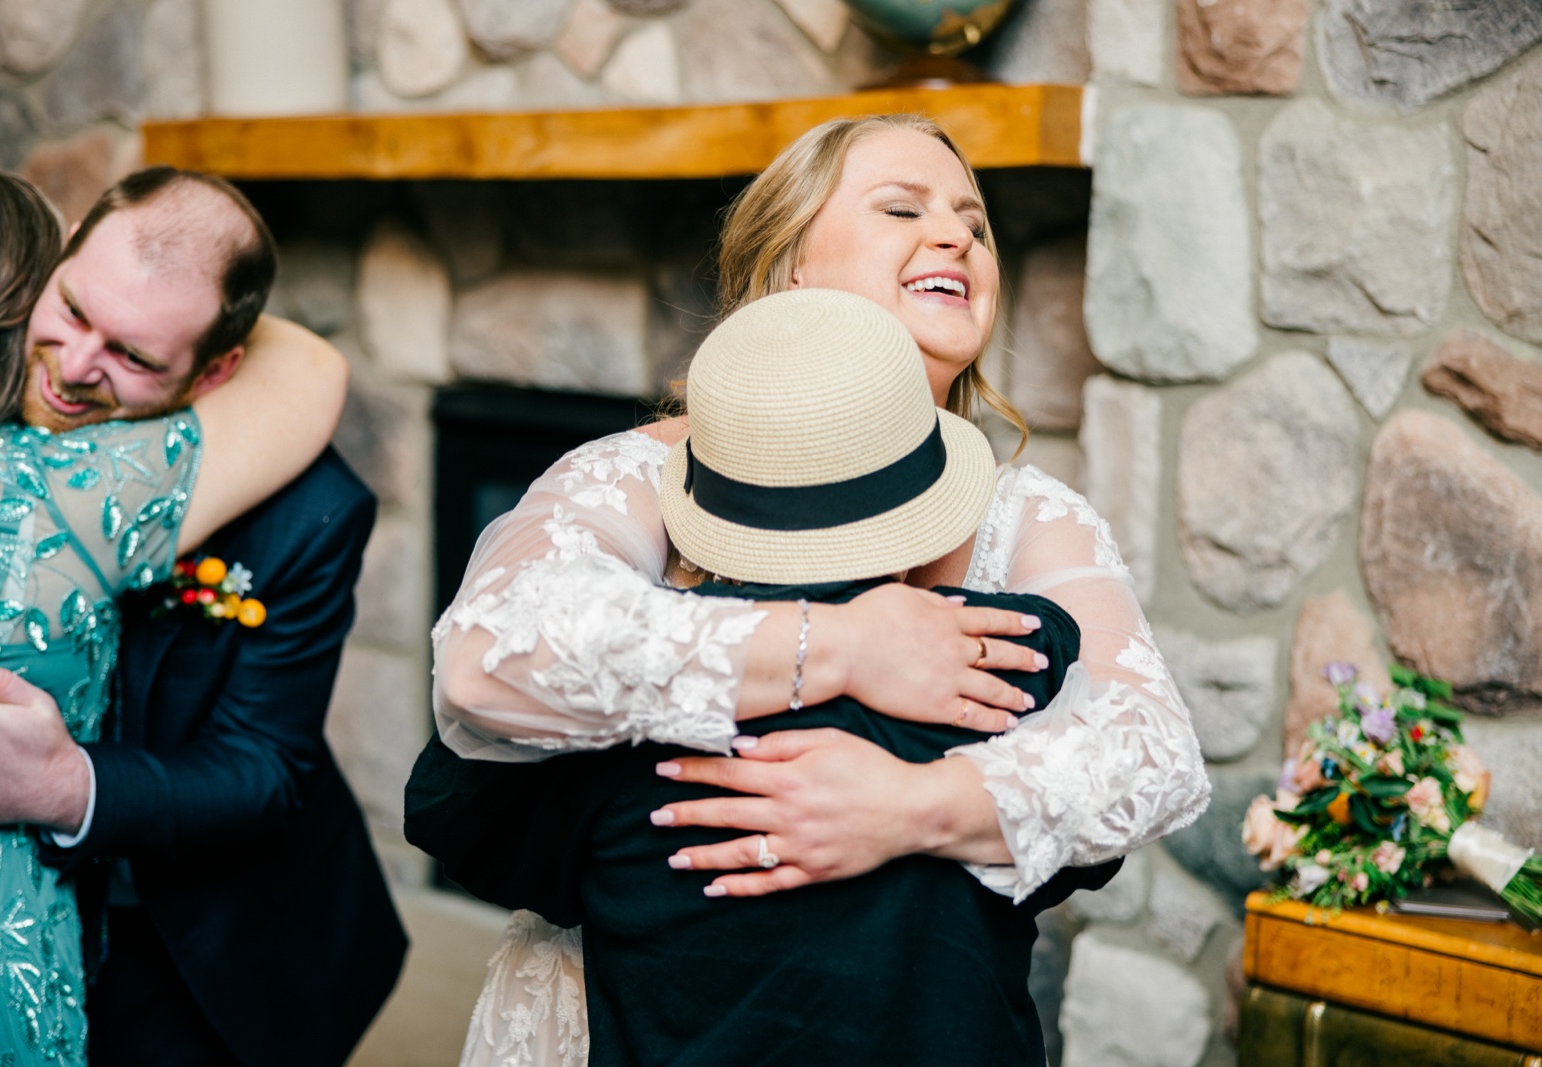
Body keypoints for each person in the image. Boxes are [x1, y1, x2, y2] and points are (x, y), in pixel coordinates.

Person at [415, 114, 1210, 1065]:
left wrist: (910, 805)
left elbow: (1151, 750)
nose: (957, 234)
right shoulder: (642, 475)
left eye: (974, 221)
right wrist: (841, 647)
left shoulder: (1027, 516)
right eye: (902, 207)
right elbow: (487, 660)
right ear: (792, 263)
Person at [0, 165, 406, 1067]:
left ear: (220, 368)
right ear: (59, 257)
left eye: (135, 356)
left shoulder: (304, 504)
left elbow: (263, 767)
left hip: (194, 927)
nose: (75, 371)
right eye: (74, 311)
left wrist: (70, 788)